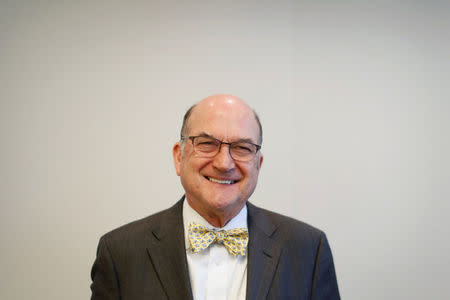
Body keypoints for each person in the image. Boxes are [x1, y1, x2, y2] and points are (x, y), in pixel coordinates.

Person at [90, 94, 340, 300]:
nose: (223, 163)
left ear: (258, 165)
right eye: (207, 143)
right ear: (179, 157)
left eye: (242, 148)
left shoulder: (308, 250)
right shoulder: (119, 253)